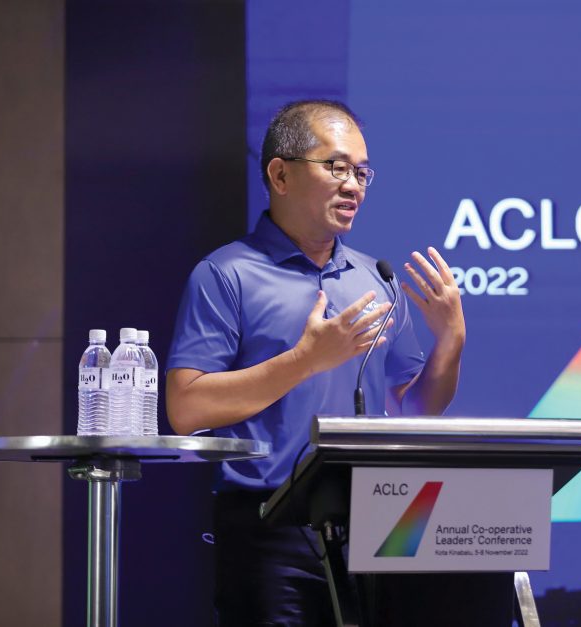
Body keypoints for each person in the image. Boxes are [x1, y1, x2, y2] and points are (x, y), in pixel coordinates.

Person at [166, 100, 509, 626]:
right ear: (280, 174)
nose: (354, 186)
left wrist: (451, 341)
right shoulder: (225, 274)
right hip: (268, 529)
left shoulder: (376, 280)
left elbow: (416, 410)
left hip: (374, 525)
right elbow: (186, 409)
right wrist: (304, 360)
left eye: (362, 172)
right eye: (337, 167)